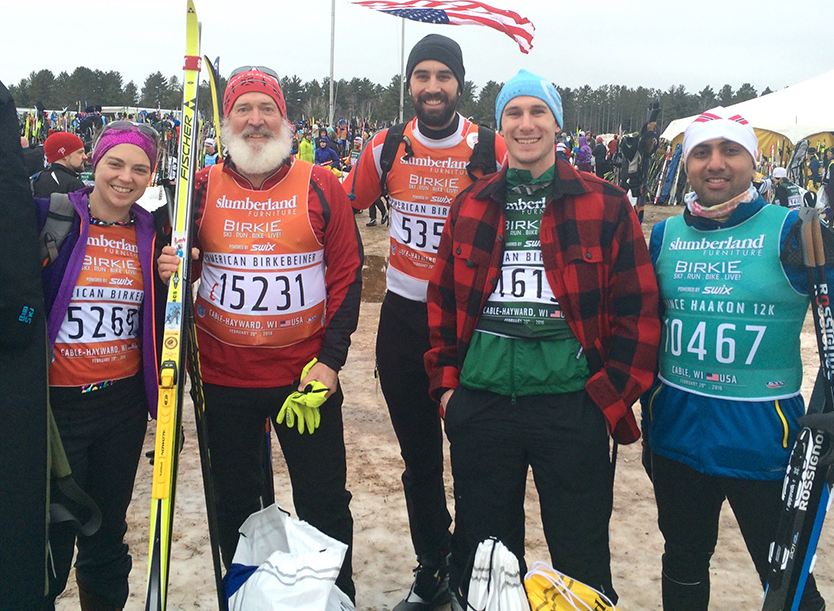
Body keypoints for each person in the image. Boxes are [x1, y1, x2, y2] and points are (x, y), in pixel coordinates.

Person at [425, 70, 661, 608]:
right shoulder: (470, 204)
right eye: (514, 113)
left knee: (581, 558)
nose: (526, 124)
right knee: (486, 565)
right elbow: (442, 303)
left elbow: (639, 311)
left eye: (538, 112)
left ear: (557, 124)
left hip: (571, 406)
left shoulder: (606, 203)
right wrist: (448, 392)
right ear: (500, 125)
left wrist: (608, 399)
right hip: (483, 406)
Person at [642, 107, 834, 611]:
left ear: (753, 162)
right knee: (683, 560)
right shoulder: (665, 236)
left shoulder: (793, 231)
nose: (716, 163)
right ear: (686, 164)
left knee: (788, 584)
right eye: (701, 152)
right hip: (675, 439)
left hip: (766, 444)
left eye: (730, 150)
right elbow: (644, 324)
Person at [0, 121, 166, 611]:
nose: (125, 178)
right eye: (115, 164)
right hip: (55, 413)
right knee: (50, 540)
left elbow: (160, 319)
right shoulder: (48, 215)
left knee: (107, 534)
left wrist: (175, 275)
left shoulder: (152, 231)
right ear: (94, 163)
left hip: (121, 411)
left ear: (152, 176)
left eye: (140, 169)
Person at [158, 66, 361, 601]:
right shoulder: (200, 188)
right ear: (226, 122)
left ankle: (335, 597)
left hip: (303, 380)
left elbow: (346, 274)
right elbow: (180, 266)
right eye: (242, 109)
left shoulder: (321, 184)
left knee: (323, 501)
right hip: (224, 381)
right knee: (237, 505)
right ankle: (250, 596)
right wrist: (173, 264)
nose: (255, 119)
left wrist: (330, 362)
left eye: (266, 108)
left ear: (284, 119)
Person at [341, 34, 507, 611]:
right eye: (422, 75)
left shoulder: (492, 147)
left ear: (459, 84)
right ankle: (434, 565)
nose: (432, 87)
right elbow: (338, 208)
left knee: (476, 455)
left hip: (471, 324)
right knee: (420, 458)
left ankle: (474, 572)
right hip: (403, 318)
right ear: (409, 83)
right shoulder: (386, 146)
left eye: (443, 76)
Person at [32, 131, 88, 198]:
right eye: (80, 152)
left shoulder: (36, 180)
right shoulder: (73, 185)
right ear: (64, 155)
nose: (85, 157)